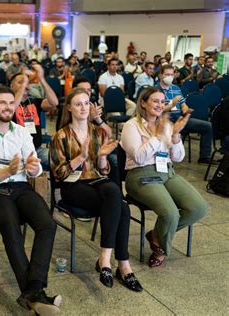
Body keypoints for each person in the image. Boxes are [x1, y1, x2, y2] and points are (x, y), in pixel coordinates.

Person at [0, 85, 61, 314]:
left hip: (20, 187)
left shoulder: (21, 132)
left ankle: (33, 290)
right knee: (11, 228)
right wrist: (7, 172)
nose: (8, 107)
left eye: (11, 103)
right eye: (2, 103)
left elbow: (34, 171)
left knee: (47, 224)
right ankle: (36, 296)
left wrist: (33, 168)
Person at [50, 87, 143, 292]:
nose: (83, 107)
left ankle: (106, 260)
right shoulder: (61, 136)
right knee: (122, 206)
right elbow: (58, 174)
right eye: (78, 104)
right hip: (72, 186)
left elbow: (104, 170)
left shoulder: (96, 132)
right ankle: (122, 265)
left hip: (96, 182)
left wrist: (101, 157)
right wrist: (80, 158)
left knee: (113, 193)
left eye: (86, 103)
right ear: (69, 108)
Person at [121, 86, 208, 267]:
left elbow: (178, 157)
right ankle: (161, 249)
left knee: (199, 208)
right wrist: (159, 136)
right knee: (170, 214)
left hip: (167, 172)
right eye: (155, 101)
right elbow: (138, 157)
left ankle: (155, 235)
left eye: (163, 101)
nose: (160, 105)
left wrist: (175, 136)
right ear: (143, 103)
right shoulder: (132, 126)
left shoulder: (166, 125)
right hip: (140, 175)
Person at [156, 65, 213, 164]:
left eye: (171, 74)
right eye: (167, 74)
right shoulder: (155, 90)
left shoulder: (176, 88)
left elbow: (182, 103)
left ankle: (204, 157)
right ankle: (167, 159)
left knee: (207, 126)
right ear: (161, 75)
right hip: (164, 120)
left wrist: (186, 109)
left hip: (180, 118)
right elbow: (156, 110)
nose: (169, 77)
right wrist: (172, 104)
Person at [9, 64, 59, 169]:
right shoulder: (7, 104)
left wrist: (41, 79)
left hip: (37, 150)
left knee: (60, 159)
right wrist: (24, 84)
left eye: (27, 82)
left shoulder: (34, 101)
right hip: (16, 153)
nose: (26, 84)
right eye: (20, 82)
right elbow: (11, 109)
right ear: (12, 86)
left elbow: (54, 103)